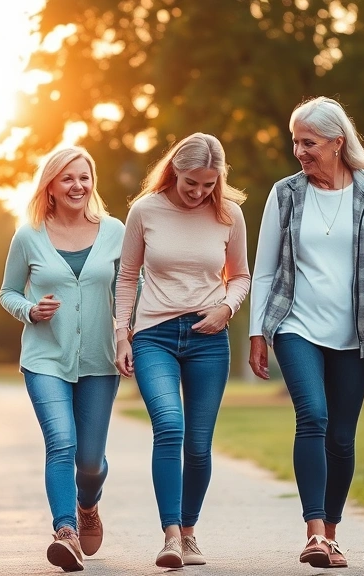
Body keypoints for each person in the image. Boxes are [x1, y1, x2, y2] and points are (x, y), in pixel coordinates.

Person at [248, 96, 364, 568]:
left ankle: (331, 534)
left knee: (341, 435)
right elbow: (265, 269)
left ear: (338, 142)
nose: (299, 150)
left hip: (356, 329)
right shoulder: (286, 193)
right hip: (296, 324)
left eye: (308, 142)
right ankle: (313, 532)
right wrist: (258, 332)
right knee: (311, 416)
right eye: (295, 141)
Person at [114, 133, 250, 568]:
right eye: (192, 182)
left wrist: (227, 308)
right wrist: (122, 333)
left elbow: (241, 276)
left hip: (208, 338)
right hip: (154, 334)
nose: (199, 192)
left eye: (209, 184)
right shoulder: (145, 210)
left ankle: (190, 533)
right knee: (170, 426)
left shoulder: (230, 215)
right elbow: (126, 276)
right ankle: (170, 536)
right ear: (175, 170)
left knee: (198, 444)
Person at [0, 146, 124, 572]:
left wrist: (130, 336)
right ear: (50, 186)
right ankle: (65, 530)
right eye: (67, 178)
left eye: (84, 177)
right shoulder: (29, 234)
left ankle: (87, 504)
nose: (78, 186)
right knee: (61, 443)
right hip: (44, 358)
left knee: (89, 461)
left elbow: (132, 289)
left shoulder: (114, 231)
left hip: (100, 361)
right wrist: (29, 310)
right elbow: (8, 291)